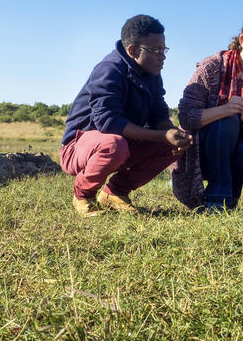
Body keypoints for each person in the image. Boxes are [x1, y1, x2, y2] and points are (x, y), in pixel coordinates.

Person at [61, 15, 192, 216]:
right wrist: (162, 135)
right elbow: (109, 123)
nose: (162, 56)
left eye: (163, 49)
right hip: (78, 147)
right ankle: (83, 195)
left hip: (120, 142)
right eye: (156, 50)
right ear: (132, 50)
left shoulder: (152, 73)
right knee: (113, 144)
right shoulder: (109, 70)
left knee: (170, 144)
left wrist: (172, 133)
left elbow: (158, 113)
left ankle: (115, 192)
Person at [172, 11, 243, 212]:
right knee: (227, 121)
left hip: (237, 152)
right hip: (201, 152)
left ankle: (229, 196)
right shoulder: (212, 67)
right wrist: (225, 110)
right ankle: (218, 199)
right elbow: (186, 117)